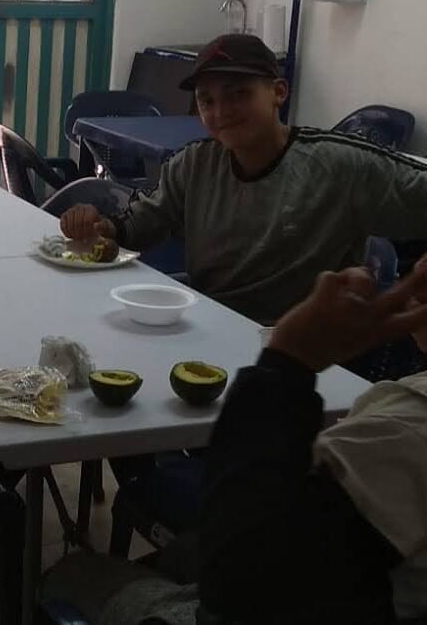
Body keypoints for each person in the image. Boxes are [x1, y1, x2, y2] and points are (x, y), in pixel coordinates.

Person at [41, 259, 427, 624]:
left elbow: (241, 583)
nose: (420, 266)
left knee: (73, 575)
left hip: (261, 595)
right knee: (180, 552)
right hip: (331, 578)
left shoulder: (404, 431)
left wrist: (290, 360)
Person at [61, 33, 427, 326]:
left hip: (303, 349)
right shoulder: (194, 164)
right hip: (208, 330)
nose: (221, 112)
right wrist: (100, 228)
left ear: (278, 92)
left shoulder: (339, 165)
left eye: (239, 94)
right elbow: (136, 227)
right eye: (207, 101)